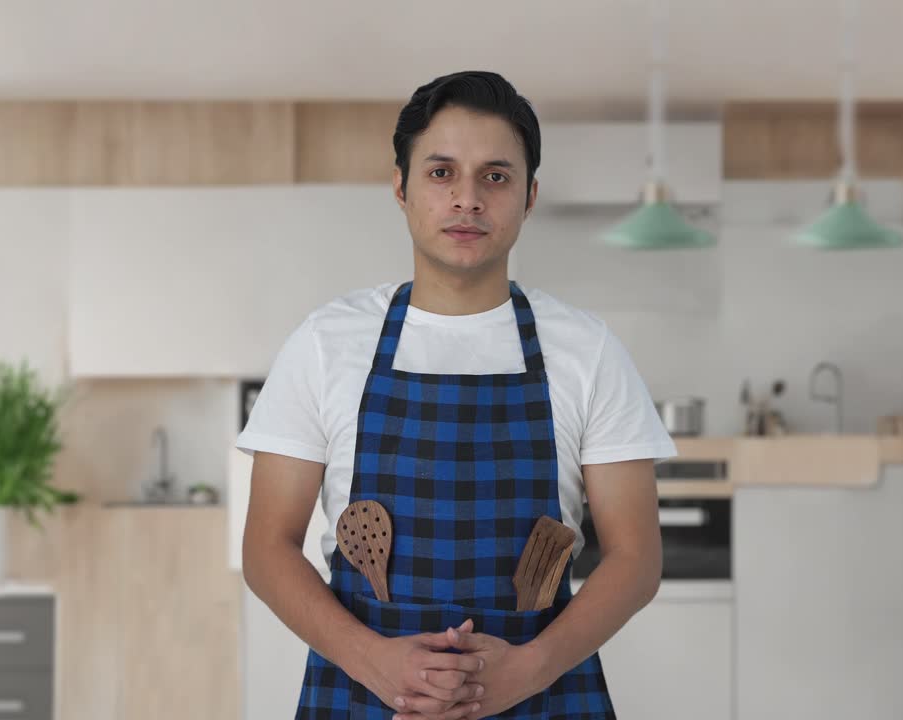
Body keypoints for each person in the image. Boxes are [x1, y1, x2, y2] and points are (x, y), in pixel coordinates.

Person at [238, 70, 676, 720]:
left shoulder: (587, 350)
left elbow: (636, 558)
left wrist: (526, 671)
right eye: (441, 173)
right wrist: (377, 664)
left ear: (528, 196)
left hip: (543, 691)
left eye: (494, 176)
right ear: (401, 187)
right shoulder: (326, 343)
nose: (467, 199)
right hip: (366, 694)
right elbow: (267, 548)